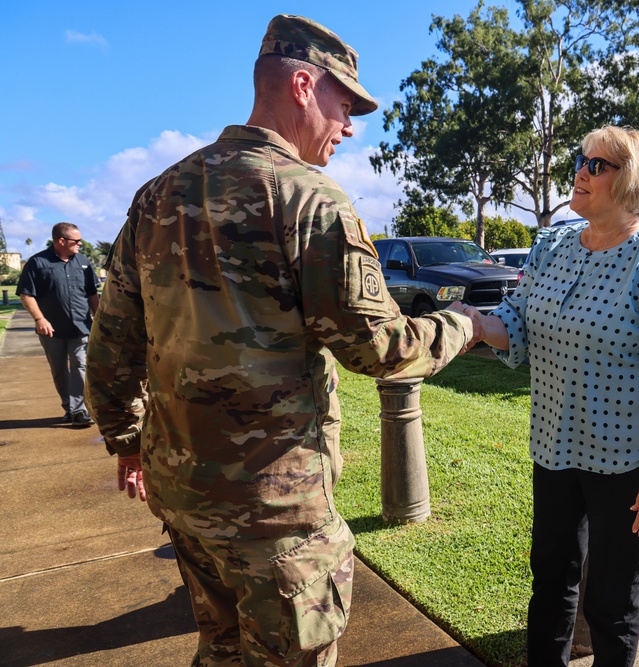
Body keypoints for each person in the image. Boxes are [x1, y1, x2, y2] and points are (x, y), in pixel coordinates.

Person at [85, 14, 478, 667]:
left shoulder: (156, 196)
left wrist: (128, 443)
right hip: (276, 518)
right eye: (344, 105)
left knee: (219, 648)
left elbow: (110, 348)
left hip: (184, 495)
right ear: (303, 85)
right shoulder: (310, 201)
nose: (349, 126)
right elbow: (378, 348)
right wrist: (469, 324)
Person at [473, 126, 639, 666]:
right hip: (554, 449)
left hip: (626, 463)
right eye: (582, 160)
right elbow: (517, 321)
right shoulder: (554, 244)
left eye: (598, 165)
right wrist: (472, 322)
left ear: (631, 180)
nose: (581, 172)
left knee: (611, 601)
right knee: (551, 584)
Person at [17, 222, 99, 427]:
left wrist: (98, 317)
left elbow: (92, 293)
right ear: (61, 241)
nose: (80, 244)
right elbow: (26, 294)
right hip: (51, 330)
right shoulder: (37, 263)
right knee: (59, 369)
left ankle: (80, 410)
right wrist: (39, 319)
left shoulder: (83, 261)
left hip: (81, 326)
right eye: (76, 241)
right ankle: (69, 407)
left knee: (81, 366)